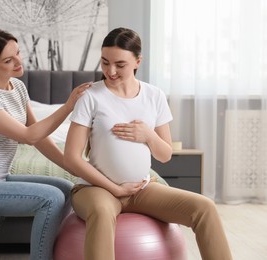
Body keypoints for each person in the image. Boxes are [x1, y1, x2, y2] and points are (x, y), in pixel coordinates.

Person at [64, 27, 232, 260]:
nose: (110, 71)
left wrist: (148, 135)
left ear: (137, 61)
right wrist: (115, 189)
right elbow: (71, 157)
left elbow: (165, 155)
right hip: (97, 189)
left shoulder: (154, 96)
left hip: (141, 189)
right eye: (104, 62)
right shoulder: (90, 96)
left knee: (205, 208)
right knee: (102, 213)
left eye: (119, 64)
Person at [0, 29, 91, 260]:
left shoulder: (17, 87)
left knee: (66, 189)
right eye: (8, 60)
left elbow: (40, 137)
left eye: (17, 53)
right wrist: (68, 106)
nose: (18, 62)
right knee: (51, 197)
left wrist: (72, 167)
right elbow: (28, 136)